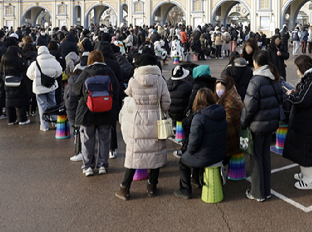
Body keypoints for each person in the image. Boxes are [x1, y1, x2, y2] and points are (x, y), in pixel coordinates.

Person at [115, 54, 171, 200]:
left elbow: (129, 96)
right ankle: (152, 187)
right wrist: (160, 110)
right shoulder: (160, 80)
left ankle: (124, 188)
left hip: (138, 119)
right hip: (155, 119)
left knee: (134, 155)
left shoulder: (133, 80)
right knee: (155, 154)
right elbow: (166, 102)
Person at [241, 51, 282, 201]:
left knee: (256, 159)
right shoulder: (274, 78)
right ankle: (266, 190)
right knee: (265, 157)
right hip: (271, 124)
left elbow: (249, 107)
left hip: (257, 125)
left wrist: (243, 122)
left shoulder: (256, 81)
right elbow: (280, 100)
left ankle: (258, 193)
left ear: (256, 63)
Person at [283, 55, 312, 190]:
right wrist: (296, 93)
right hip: (304, 121)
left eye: (297, 68)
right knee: (303, 149)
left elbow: (303, 100)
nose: (297, 71)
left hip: (309, 121)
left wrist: (291, 96)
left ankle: (311, 181)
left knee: (308, 150)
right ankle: (305, 175)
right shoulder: (310, 80)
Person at [73, 50, 120, 177]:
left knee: (88, 139)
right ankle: (102, 165)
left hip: (87, 111)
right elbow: (116, 89)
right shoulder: (109, 71)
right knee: (104, 139)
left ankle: (88, 166)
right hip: (106, 110)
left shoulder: (86, 72)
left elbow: (76, 89)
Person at [174, 88, 227, 199]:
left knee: (183, 162)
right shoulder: (221, 112)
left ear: (197, 100)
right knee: (196, 155)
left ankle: (185, 190)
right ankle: (196, 180)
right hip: (220, 153)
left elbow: (193, 144)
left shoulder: (199, 118)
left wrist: (186, 152)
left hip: (206, 156)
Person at [26, 46, 63, 131]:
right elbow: (59, 71)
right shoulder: (54, 61)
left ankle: (44, 126)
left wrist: (36, 79)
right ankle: (55, 122)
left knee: (42, 106)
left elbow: (29, 74)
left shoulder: (35, 63)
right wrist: (53, 77)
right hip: (51, 86)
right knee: (52, 104)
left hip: (39, 89)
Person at [215, 76, 244, 170]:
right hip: (236, 134)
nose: (218, 91)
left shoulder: (230, 101)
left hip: (233, 137)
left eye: (221, 88)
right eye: (217, 88)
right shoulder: (232, 94)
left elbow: (227, 121)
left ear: (226, 87)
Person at [0, 46, 30, 126]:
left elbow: (1, 69)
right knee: (21, 101)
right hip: (18, 81)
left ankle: (11, 120)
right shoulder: (17, 59)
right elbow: (23, 68)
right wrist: (21, 58)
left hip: (7, 81)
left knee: (9, 101)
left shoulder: (4, 58)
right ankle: (22, 119)